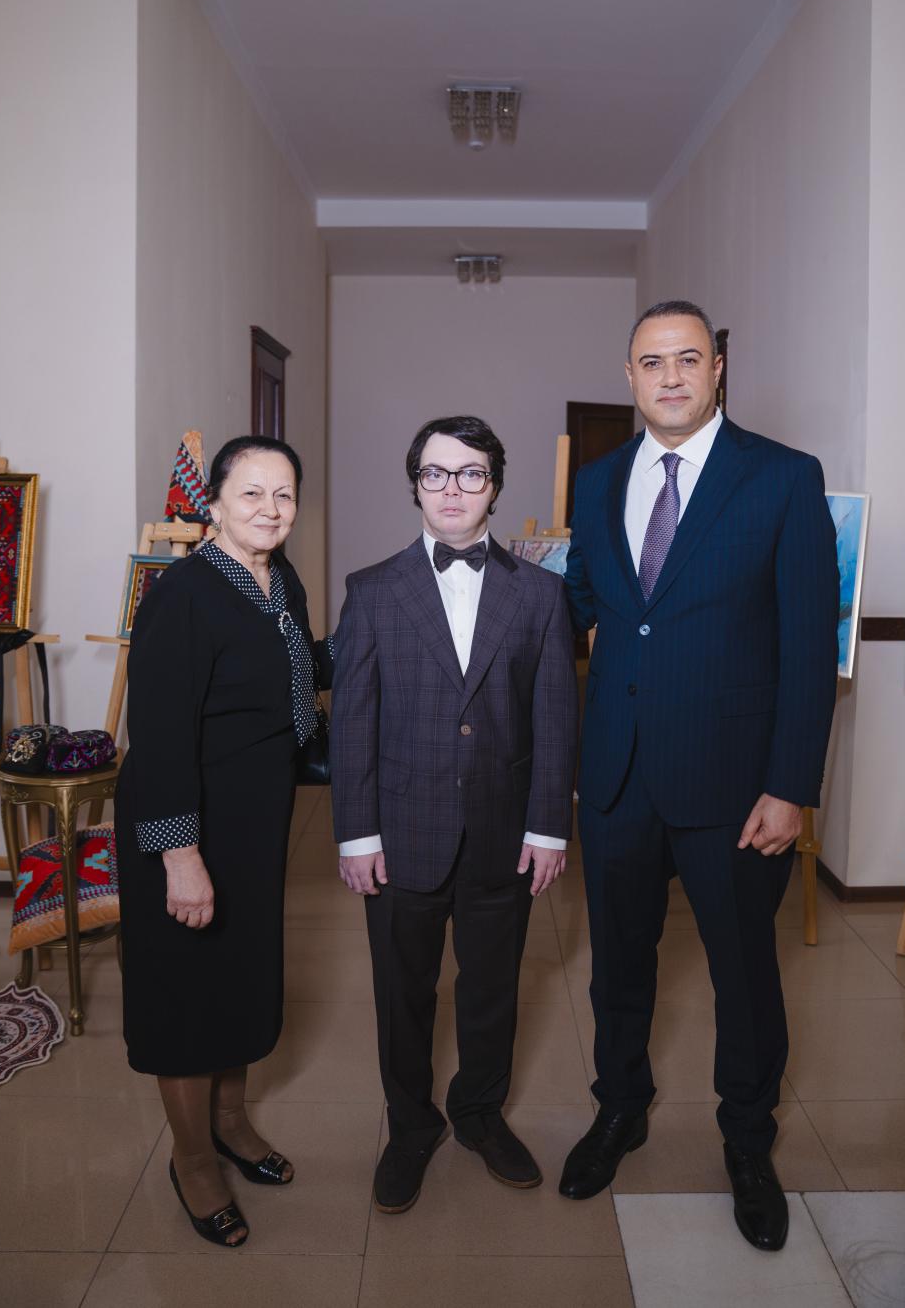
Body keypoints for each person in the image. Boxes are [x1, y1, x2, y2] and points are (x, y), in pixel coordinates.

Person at [559, 302, 838, 1252]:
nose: (670, 377)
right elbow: (588, 605)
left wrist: (790, 785)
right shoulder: (598, 482)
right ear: (629, 375)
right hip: (619, 778)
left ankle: (749, 1142)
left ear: (717, 368)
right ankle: (619, 1108)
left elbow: (808, 646)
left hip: (737, 789)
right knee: (617, 967)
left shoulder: (784, 478)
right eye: (652, 362)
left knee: (744, 975)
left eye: (688, 359)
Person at [331, 415, 577, 1214]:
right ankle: (411, 1126)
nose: (451, 489)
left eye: (470, 473)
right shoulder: (372, 590)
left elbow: (555, 717)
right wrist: (356, 835)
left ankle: (479, 1113)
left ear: (494, 486)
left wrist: (547, 826)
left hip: (503, 834)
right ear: (415, 485)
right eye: (434, 473)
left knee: (492, 988)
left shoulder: (541, 594)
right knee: (401, 991)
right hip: (400, 833)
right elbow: (353, 722)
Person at [115, 435, 333, 1249]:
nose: (270, 509)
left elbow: (292, 671)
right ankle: (193, 1159)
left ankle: (232, 1124)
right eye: (251, 493)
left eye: (284, 494)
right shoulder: (182, 595)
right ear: (212, 504)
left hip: (252, 821)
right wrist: (181, 858)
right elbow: (160, 737)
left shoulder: (281, 579)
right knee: (185, 995)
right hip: (188, 822)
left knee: (239, 977)